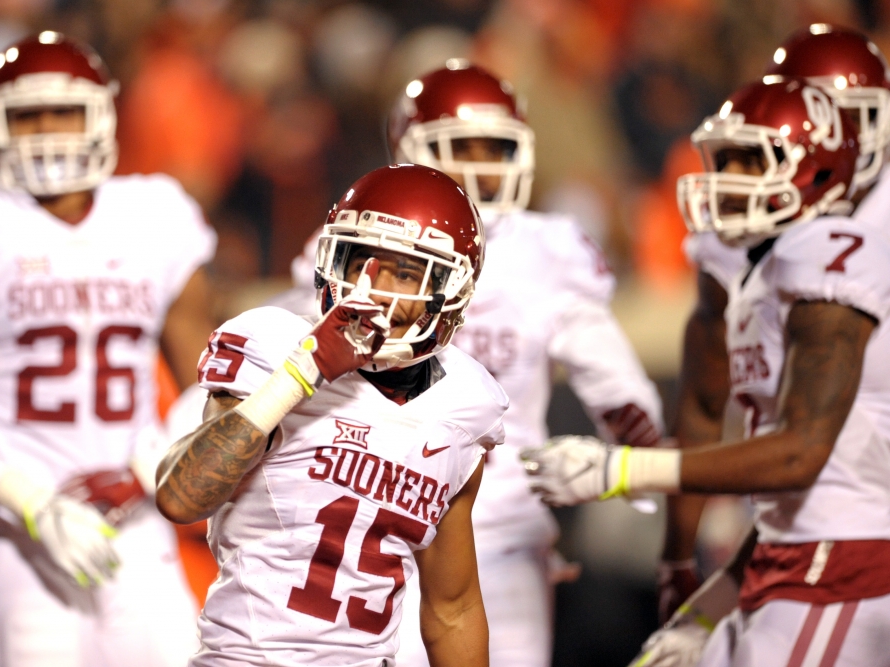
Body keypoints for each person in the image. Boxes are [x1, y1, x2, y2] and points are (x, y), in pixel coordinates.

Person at [525, 74, 890, 667]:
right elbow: (788, 508)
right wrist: (703, 613)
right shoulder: (762, 275)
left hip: (842, 566)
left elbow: (802, 454)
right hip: (793, 557)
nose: (725, 181)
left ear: (818, 170)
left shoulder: (830, 260)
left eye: (749, 161)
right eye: (722, 161)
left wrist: (620, 471)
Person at [0, 32, 215, 667]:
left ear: (100, 114)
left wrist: (158, 457)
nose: (46, 130)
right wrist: (32, 504)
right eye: (26, 114)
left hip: (138, 519)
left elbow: (212, 377)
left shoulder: (156, 213)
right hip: (21, 530)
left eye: (62, 111)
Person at [156, 164, 508, 667]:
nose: (375, 290)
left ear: (450, 291)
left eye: (406, 272)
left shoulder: (464, 405)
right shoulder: (273, 348)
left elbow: (453, 608)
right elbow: (181, 495)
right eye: (361, 262)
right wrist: (301, 375)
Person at [384, 61, 664, 666]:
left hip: (505, 524)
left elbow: (616, 384)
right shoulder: (374, 239)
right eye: (462, 147)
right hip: (390, 518)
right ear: (410, 149)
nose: (482, 165)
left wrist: (636, 460)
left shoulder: (545, 250)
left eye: (496, 148)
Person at [657, 23, 890, 629]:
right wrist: (679, 556)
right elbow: (706, 405)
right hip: (797, 526)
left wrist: (621, 470)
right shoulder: (741, 227)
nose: (832, 133)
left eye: (847, 115)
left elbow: (806, 451)